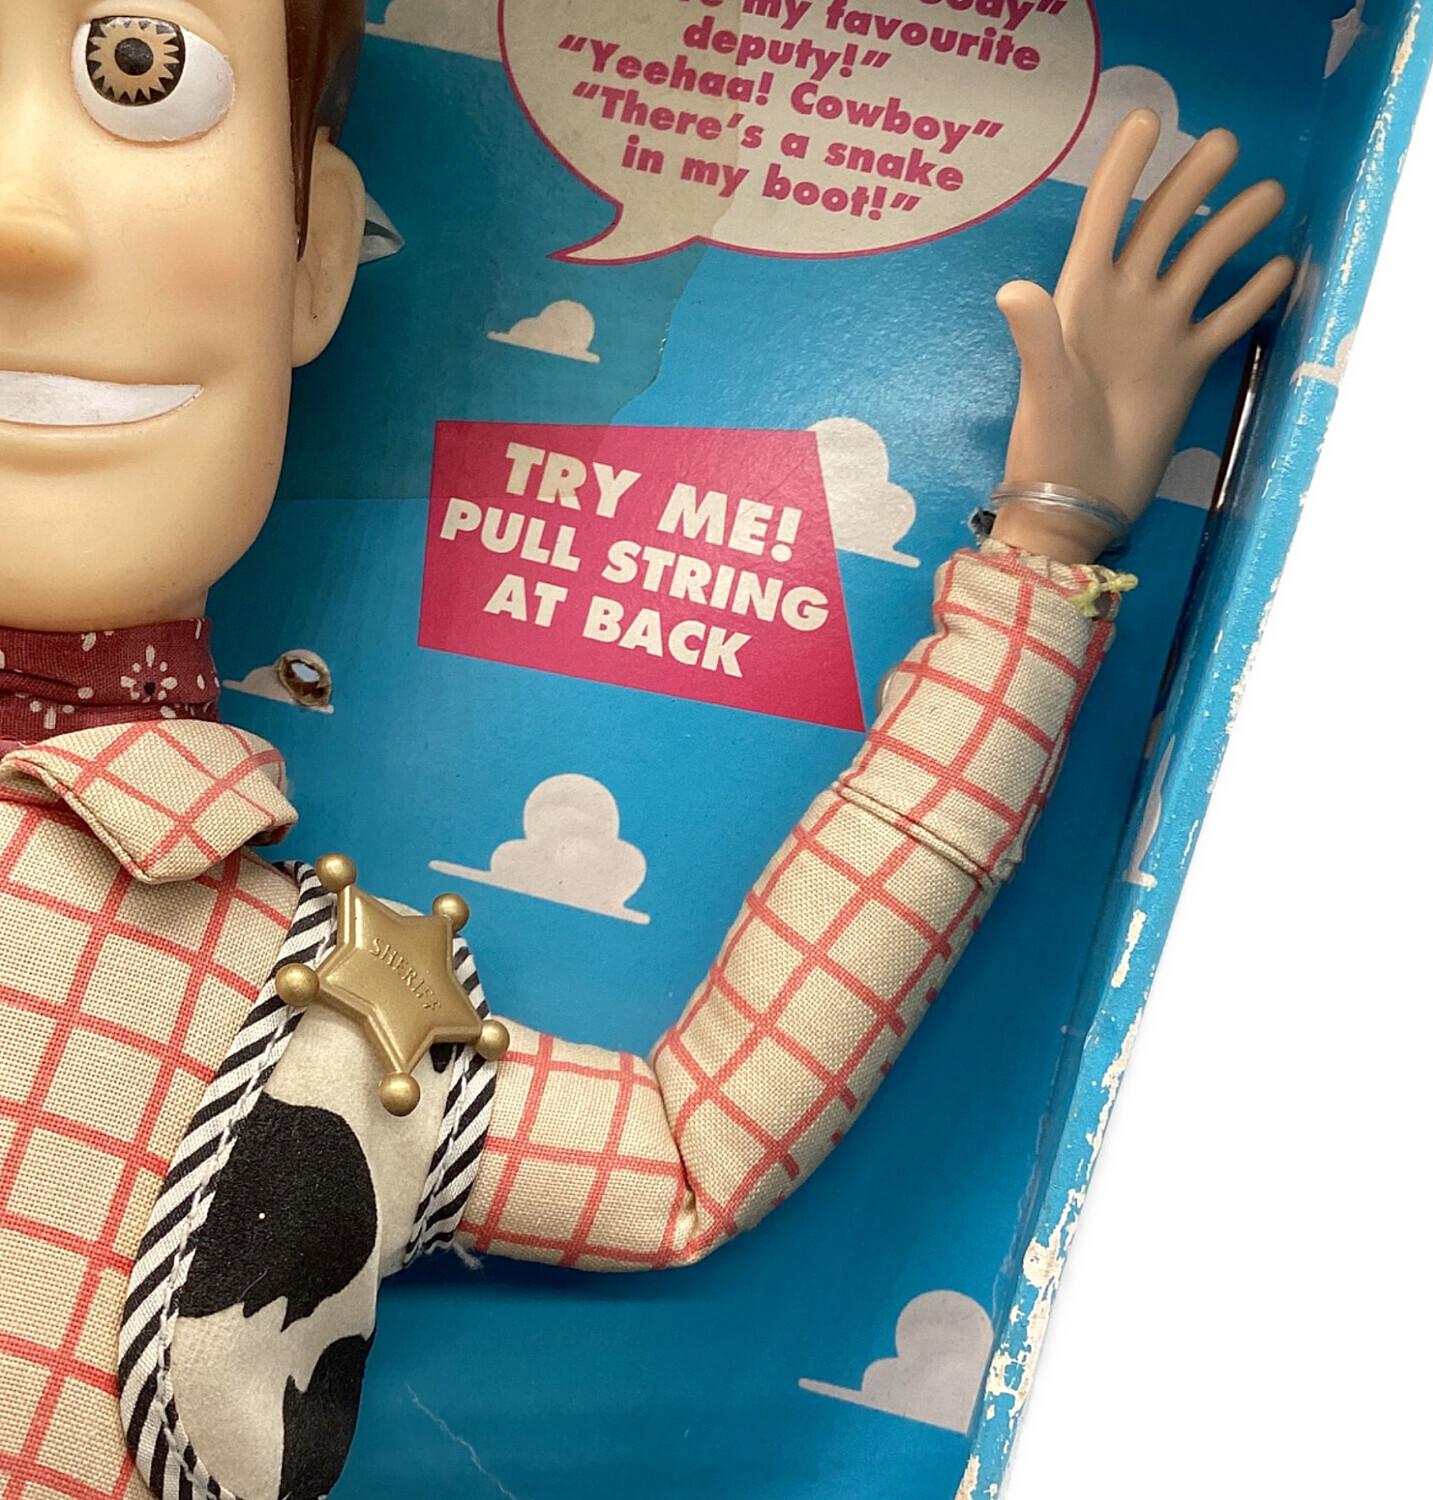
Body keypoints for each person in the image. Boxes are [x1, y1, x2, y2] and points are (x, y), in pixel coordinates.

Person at [0, 4, 1293, 1497]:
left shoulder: (319, 1029)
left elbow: (692, 1145)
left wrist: (1048, 549)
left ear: (315, 256)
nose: (20, 228)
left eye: (142, 69)